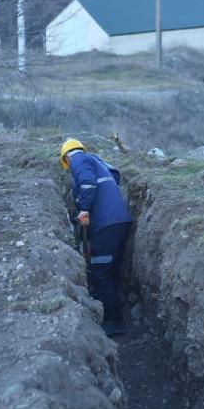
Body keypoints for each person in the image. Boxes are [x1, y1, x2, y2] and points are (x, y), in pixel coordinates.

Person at [61, 138, 133, 336]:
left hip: (106, 224)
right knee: (110, 269)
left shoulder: (79, 160)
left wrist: (83, 209)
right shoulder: (97, 161)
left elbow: (87, 184)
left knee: (99, 271)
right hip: (119, 221)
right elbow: (115, 178)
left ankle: (114, 319)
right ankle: (115, 303)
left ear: (67, 157)